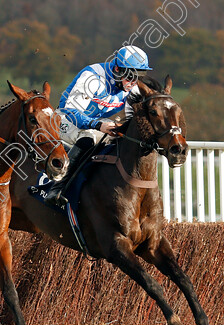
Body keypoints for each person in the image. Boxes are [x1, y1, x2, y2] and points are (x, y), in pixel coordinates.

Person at [44, 44, 152, 207]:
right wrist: (97, 124)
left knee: (122, 138)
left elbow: (131, 121)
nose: (133, 82)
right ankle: (57, 188)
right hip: (65, 118)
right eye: (130, 76)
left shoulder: (133, 88)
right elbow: (71, 110)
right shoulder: (92, 77)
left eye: (138, 76)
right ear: (117, 69)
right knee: (87, 137)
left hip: (93, 123)